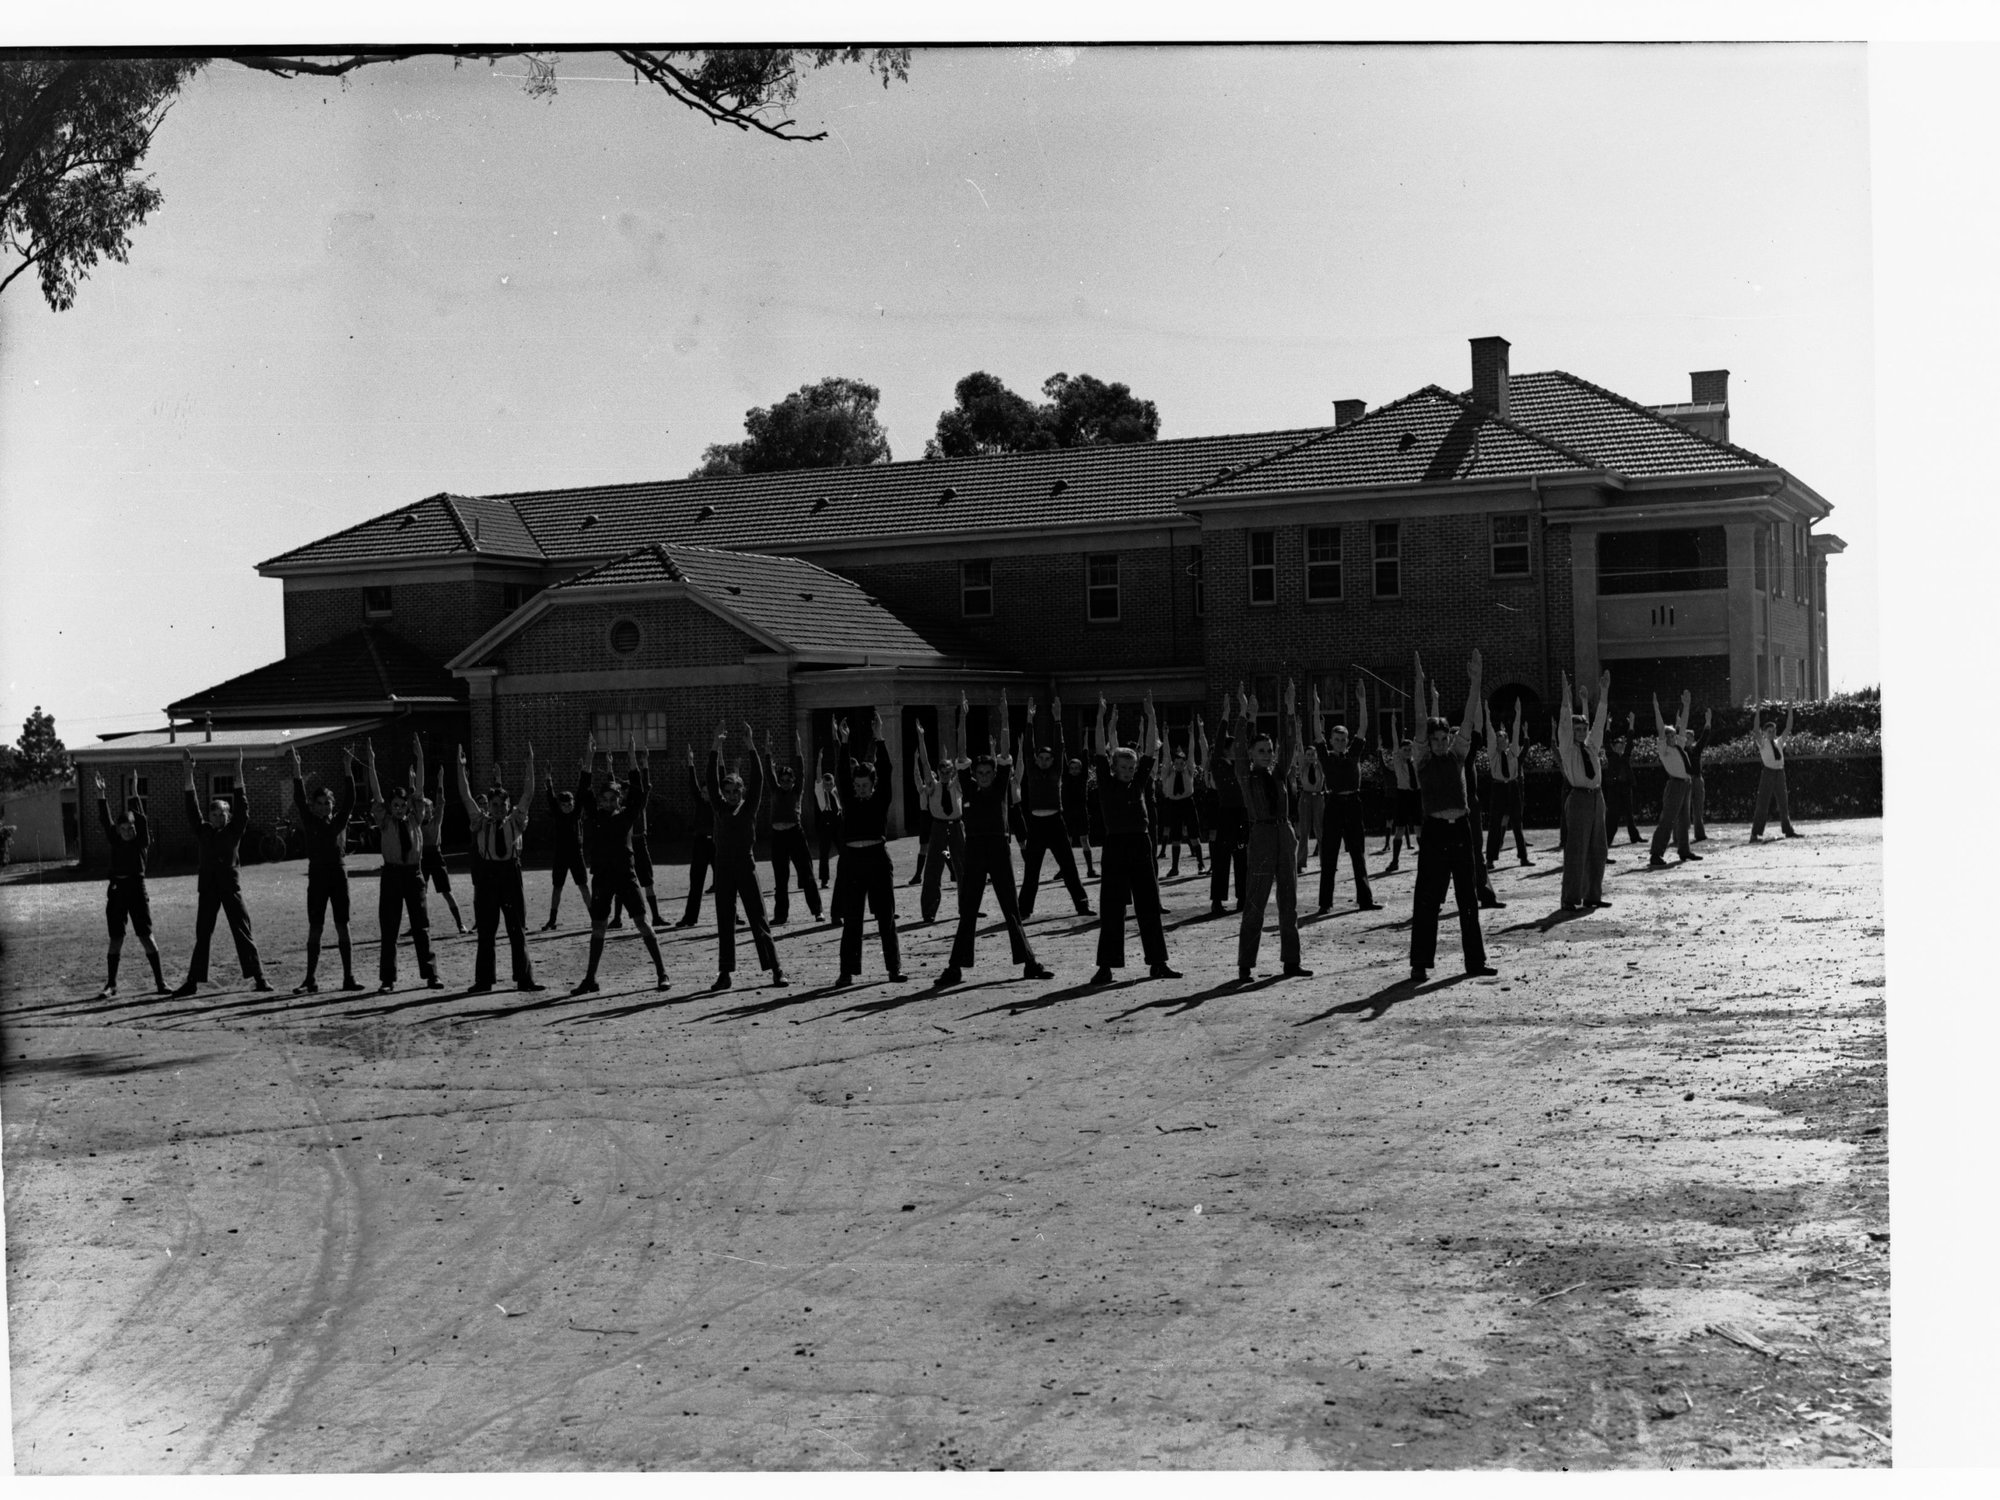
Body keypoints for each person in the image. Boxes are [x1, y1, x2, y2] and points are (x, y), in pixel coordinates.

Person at [940, 689, 1052, 988]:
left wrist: (1004, 716)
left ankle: (1029, 962)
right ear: (974, 774)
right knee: (968, 909)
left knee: (1011, 908)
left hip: (1001, 847)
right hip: (975, 848)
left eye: (989, 771)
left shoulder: (1002, 782)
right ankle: (955, 967)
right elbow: (960, 753)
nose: (986, 775)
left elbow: (1004, 750)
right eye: (981, 772)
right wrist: (962, 719)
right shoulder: (969, 785)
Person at [1408, 651, 1498, 983]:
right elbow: (1419, 720)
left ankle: (1475, 962)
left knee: (1467, 899)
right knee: (1428, 899)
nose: (1443, 743)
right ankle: (1420, 963)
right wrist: (1418, 684)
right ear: (1428, 743)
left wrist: (1476, 681)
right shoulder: (1423, 761)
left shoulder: (1458, 755)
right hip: (1434, 833)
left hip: (1460, 830)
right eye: (1437, 739)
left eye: (1446, 738)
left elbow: (1471, 719)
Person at [1088, 692, 1179, 985]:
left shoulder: (1139, 781)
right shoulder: (1105, 781)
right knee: (1112, 907)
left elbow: (1151, 752)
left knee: (1148, 904)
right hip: (1115, 845)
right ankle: (1106, 967)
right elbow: (1100, 749)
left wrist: (1152, 717)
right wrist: (1101, 719)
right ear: (1114, 768)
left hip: (1141, 844)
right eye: (1123, 768)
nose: (1128, 772)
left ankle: (1158, 962)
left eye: (1131, 767)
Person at [569, 734, 671, 995]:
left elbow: (639, 793)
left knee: (642, 923)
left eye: (612, 799)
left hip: (626, 876)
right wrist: (589, 760)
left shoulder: (626, 817)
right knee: (599, 927)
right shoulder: (595, 816)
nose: (607, 803)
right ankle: (590, 979)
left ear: (619, 800)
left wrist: (633, 759)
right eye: (603, 800)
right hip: (602, 877)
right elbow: (583, 793)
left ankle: (662, 973)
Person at [169, 747, 272, 998]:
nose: (217, 816)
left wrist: (237, 769)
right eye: (213, 813)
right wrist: (187, 773)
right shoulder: (203, 830)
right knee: (203, 933)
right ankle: (192, 981)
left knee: (242, 930)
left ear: (229, 815)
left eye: (222, 813)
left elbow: (242, 803)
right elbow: (191, 805)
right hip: (208, 888)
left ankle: (259, 977)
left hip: (230, 887)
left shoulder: (234, 830)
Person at [1229, 683, 1312, 982]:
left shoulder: (1278, 773)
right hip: (1262, 837)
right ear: (1251, 754)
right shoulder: (1246, 776)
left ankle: (1291, 962)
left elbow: (1289, 748)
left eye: (1269, 751)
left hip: (1284, 834)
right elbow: (1237, 746)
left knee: (1288, 901)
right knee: (1256, 901)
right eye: (1261, 750)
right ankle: (1245, 965)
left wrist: (1290, 711)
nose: (1266, 754)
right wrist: (1244, 715)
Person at [455, 742, 540, 994]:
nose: (499, 809)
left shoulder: (515, 821)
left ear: (508, 805)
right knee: (487, 928)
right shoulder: (480, 822)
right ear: (488, 806)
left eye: (503, 805)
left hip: (510, 874)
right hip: (488, 875)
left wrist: (529, 766)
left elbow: (529, 794)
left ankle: (524, 979)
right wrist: (461, 769)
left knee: (517, 928)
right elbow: (466, 796)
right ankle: (484, 981)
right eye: (494, 805)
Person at [705, 723, 784, 990]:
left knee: (758, 917)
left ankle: (775, 968)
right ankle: (725, 973)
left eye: (735, 791)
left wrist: (752, 747)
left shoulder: (749, 807)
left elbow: (759, 780)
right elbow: (710, 780)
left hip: (746, 866)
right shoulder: (719, 808)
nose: (730, 796)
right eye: (727, 792)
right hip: (724, 867)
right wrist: (716, 746)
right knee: (725, 920)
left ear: (742, 792)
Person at [361, 738, 442, 993]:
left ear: (408, 806)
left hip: (414, 874)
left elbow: (419, 790)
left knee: (421, 925)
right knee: (390, 927)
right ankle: (388, 979)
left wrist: (419, 758)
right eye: (395, 805)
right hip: (393, 875)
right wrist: (371, 763)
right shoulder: (385, 820)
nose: (398, 808)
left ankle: (431, 974)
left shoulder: (416, 818)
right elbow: (376, 793)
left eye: (402, 805)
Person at [830, 712, 905, 987]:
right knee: (852, 919)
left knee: (885, 916)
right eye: (857, 785)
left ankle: (894, 968)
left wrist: (880, 737)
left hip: (876, 859)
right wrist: (845, 743)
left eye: (865, 786)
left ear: (873, 786)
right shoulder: (848, 799)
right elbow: (840, 773)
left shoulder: (881, 798)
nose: (860, 789)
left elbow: (887, 770)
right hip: (852, 861)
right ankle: (847, 971)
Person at [288, 743, 363, 994]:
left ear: (332, 805)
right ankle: (310, 978)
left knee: (343, 924)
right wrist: (297, 771)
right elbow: (299, 799)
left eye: (327, 803)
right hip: (318, 876)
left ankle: (348, 977)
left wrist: (347, 767)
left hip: (338, 875)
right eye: (319, 803)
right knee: (316, 927)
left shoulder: (340, 821)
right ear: (313, 805)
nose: (323, 807)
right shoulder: (309, 821)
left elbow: (351, 799)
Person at [1016, 693, 1093, 920]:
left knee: (1068, 866)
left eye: (1047, 759)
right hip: (1036, 824)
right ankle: (1024, 910)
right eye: (1040, 758)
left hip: (1055, 822)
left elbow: (1059, 747)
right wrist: (1029, 721)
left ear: (1052, 761)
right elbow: (1028, 749)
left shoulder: (1057, 770)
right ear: (1036, 760)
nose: (1043, 761)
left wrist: (1057, 719)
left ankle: (1082, 905)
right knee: (1032, 870)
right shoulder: (1031, 770)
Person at [92, 768, 167, 997]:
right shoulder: (115, 839)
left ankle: (160, 983)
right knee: (116, 937)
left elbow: (141, 818)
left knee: (146, 936)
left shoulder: (142, 841)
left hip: (137, 889)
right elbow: (106, 820)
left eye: (131, 828)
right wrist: (101, 795)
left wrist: (134, 791)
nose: (127, 831)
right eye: (123, 828)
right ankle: (111, 984)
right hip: (116, 891)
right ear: (118, 830)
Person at [1311, 681, 1382, 914]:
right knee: (1329, 856)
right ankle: (1325, 903)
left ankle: (1365, 900)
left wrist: (1362, 701)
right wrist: (1317, 708)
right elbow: (1316, 734)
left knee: (1358, 855)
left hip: (1353, 804)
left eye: (1344, 739)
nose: (1341, 743)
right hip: (1333, 805)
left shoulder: (1353, 755)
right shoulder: (1326, 756)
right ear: (1331, 741)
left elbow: (1363, 728)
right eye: (1337, 739)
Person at [1554, 669, 1612, 912]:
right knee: (1576, 849)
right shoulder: (1567, 749)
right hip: (1578, 798)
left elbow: (1599, 722)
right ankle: (1569, 898)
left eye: (1583, 730)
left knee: (1599, 848)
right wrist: (1567, 697)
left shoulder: (1591, 747)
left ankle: (1592, 895)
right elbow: (1565, 723)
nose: (1581, 733)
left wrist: (1604, 692)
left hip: (1597, 798)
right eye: (1577, 730)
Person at [765, 730, 823, 926]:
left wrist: (799, 748)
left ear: (794, 782)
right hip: (778, 836)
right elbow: (768, 772)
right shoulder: (774, 789)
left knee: (806, 874)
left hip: (795, 834)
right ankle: (781, 916)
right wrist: (767, 752)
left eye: (789, 780)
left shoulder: (797, 790)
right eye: (783, 780)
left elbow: (801, 767)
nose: (786, 783)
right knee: (781, 879)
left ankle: (817, 911)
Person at [912, 718, 966, 926]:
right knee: (933, 869)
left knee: (962, 868)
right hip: (939, 828)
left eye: (947, 772)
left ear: (952, 772)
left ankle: (966, 908)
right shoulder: (933, 786)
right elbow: (925, 764)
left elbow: (962, 756)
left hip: (956, 827)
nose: (944, 775)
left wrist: (961, 722)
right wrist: (921, 736)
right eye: (941, 771)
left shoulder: (956, 786)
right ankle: (929, 912)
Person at [412, 739, 466, 935]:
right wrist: (412, 782)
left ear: (431, 810)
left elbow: (441, 801)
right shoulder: (416, 822)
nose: (425, 811)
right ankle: (418, 925)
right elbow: (414, 799)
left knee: (446, 891)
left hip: (436, 856)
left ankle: (460, 923)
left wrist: (441, 780)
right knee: (420, 893)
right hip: (421, 858)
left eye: (428, 808)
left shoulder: (436, 820)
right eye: (423, 809)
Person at [1647, 691, 1703, 868]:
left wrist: (1686, 705)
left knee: (1685, 820)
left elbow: (1684, 724)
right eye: (1668, 735)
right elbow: (1660, 728)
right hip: (1675, 785)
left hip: (1685, 784)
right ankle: (1656, 853)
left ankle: (1684, 850)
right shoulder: (1664, 749)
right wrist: (1656, 709)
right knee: (1668, 819)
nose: (1671, 737)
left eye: (1673, 735)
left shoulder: (1678, 746)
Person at [1205, 701, 1249, 916]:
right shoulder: (1218, 764)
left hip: (1242, 813)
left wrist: (1244, 714)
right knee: (1221, 858)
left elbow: (1243, 739)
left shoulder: (1241, 765)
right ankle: (1217, 901)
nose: (1237, 751)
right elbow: (1220, 739)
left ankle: (1243, 897)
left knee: (1243, 857)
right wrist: (1225, 715)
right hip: (1226, 813)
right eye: (1233, 748)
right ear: (1225, 750)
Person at [1482, 696, 1532, 869]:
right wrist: (1486, 715)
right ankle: (1490, 859)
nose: (1501, 742)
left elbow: (1517, 730)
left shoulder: (1512, 753)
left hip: (1512, 787)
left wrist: (1518, 713)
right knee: (1495, 824)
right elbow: (1488, 732)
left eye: (1504, 740)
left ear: (1508, 742)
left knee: (1517, 824)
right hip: (1498, 788)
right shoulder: (1493, 754)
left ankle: (1523, 857)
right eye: (1498, 740)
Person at [539, 769, 591, 931]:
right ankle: (552, 919)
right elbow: (550, 797)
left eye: (570, 804)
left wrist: (583, 772)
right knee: (557, 887)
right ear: (559, 806)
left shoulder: (576, 814)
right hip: (561, 856)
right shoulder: (558, 814)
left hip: (577, 855)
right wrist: (548, 780)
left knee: (583, 886)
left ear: (573, 804)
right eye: (564, 805)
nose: (567, 807)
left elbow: (582, 792)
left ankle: (594, 916)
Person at [674, 746, 715, 928]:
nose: (705, 795)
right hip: (700, 843)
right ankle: (690, 917)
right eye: (703, 792)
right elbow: (693, 784)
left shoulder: (718, 805)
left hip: (716, 843)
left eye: (708, 792)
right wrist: (691, 763)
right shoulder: (700, 801)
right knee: (696, 883)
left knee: (724, 882)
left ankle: (732, 914)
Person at [1156, 733, 1207, 879]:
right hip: (1173, 805)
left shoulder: (1189, 771)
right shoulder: (1168, 772)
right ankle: (1174, 867)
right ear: (1173, 763)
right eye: (1176, 763)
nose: (1179, 766)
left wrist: (1191, 734)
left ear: (1185, 764)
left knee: (1194, 835)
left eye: (1181, 763)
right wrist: (1165, 736)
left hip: (1187, 804)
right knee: (1175, 836)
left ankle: (1200, 864)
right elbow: (1165, 755)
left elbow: (1191, 753)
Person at [1750, 702, 1802, 841]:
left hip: (1780, 773)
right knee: (1762, 804)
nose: (1772, 733)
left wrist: (1790, 710)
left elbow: (1788, 727)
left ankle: (1788, 830)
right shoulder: (1762, 743)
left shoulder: (1779, 742)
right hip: (1768, 773)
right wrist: (1758, 711)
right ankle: (1754, 834)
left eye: (1774, 731)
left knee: (1783, 803)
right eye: (1769, 731)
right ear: (1765, 733)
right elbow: (1755, 729)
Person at [1603, 715, 1643, 848]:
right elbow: (1606, 740)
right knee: (1612, 815)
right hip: (1614, 788)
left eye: (1622, 744)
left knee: (1629, 814)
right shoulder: (1611, 755)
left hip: (1625, 787)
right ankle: (1606, 841)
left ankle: (1635, 837)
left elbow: (1630, 742)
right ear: (1614, 746)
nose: (1621, 746)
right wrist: (1608, 725)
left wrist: (1631, 724)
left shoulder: (1625, 756)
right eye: (1618, 745)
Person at [1062, 747, 1097, 879]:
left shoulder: (1083, 779)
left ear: (1081, 770)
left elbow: (1085, 761)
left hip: (1081, 813)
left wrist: (1086, 749)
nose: (1074, 770)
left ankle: (1090, 869)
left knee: (1084, 840)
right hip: (1068, 814)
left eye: (1077, 768)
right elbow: (1063, 762)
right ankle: (1064, 869)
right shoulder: (1065, 778)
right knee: (1067, 841)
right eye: (1072, 768)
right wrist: (1063, 749)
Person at [1293, 737, 1325, 875]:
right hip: (1305, 798)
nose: (1311, 757)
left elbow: (1323, 749)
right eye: (1308, 755)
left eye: (1313, 754)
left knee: (1320, 831)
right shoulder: (1303, 766)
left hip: (1318, 797)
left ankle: (1325, 862)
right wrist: (1299, 734)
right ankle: (1300, 862)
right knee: (1304, 831)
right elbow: (1299, 749)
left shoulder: (1320, 766)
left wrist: (1321, 731)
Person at [813, 754, 841, 891]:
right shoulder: (820, 791)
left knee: (843, 850)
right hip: (825, 821)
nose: (829, 786)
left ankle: (845, 875)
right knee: (824, 852)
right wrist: (819, 760)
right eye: (826, 784)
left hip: (837, 821)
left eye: (831, 784)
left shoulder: (836, 792)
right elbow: (818, 775)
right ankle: (824, 880)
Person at [1687, 707, 1712, 843]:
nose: (1688, 739)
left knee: (1698, 808)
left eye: (1690, 737)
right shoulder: (1681, 750)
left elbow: (1704, 738)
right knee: (1683, 809)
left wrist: (1708, 722)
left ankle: (1700, 834)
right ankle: (1679, 836)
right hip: (1686, 780)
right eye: (1686, 737)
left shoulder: (1696, 749)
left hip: (1697, 779)